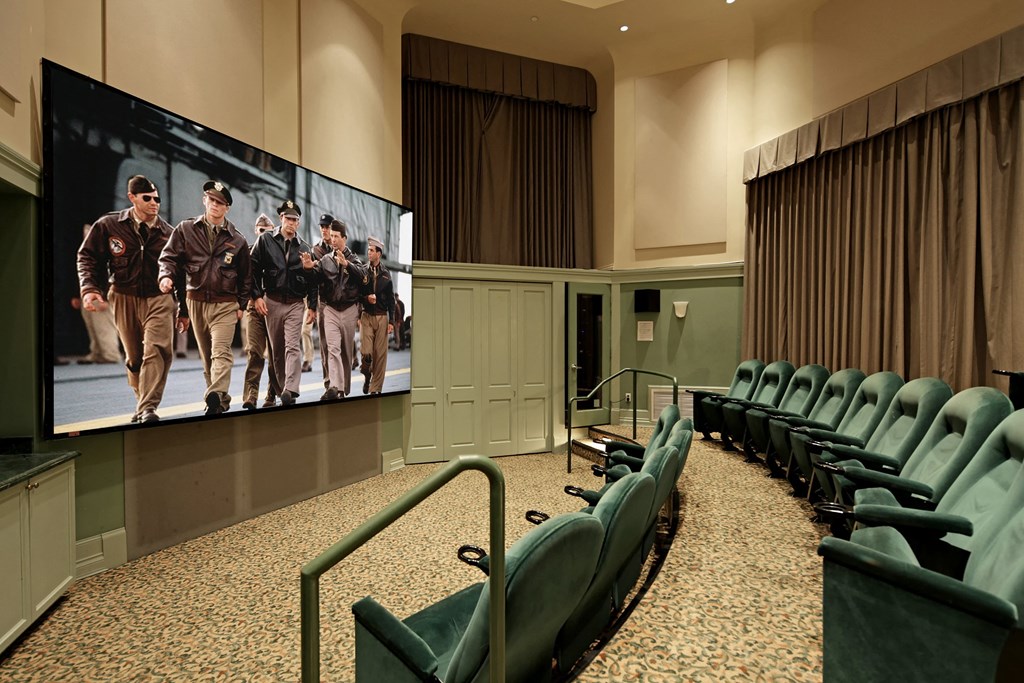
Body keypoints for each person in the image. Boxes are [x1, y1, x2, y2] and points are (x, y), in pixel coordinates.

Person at [77, 175, 176, 423]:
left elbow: (182, 271)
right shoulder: (109, 225)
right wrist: (90, 288)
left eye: (157, 199)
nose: (155, 203)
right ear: (132, 198)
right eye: (148, 198)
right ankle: (142, 403)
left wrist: (183, 309)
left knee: (157, 349)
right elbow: (87, 257)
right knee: (135, 359)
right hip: (123, 295)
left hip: (159, 298)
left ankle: (148, 408)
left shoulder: (169, 234)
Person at [158, 180, 252, 416]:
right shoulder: (185, 230)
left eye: (220, 203)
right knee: (207, 356)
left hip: (225, 304)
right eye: (211, 200)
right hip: (195, 300)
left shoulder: (237, 241)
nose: (215, 206)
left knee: (221, 352)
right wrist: (166, 277)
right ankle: (219, 400)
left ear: (227, 208)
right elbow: (169, 258)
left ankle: (216, 393)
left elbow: (246, 277)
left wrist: (240, 305)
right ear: (204, 201)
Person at [249, 199, 317, 405]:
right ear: (281, 219)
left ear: (298, 223)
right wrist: (257, 296)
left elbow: (313, 280)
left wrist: (312, 306)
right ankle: (281, 391)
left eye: (295, 219)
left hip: (295, 303)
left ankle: (291, 389)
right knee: (276, 350)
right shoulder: (266, 240)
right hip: (272, 301)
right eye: (288, 218)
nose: (291, 222)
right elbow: (252, 269)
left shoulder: (305, 248)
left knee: (292, 347)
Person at [300, 219, 365, 399]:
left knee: (345, 351)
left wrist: (347, 265)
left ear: (345, 238)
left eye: (337, 236)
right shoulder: (325, 260)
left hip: (349, 309)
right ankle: (334, 386)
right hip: (330, 309)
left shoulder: (354, 259)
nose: (333, 239)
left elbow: (363, 277)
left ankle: (342, 390)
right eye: (332, 236)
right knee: (332, 348)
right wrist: (307, 269)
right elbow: (314, 278)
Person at [241, 214, 282, 409]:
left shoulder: (278, 255)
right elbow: (242, 280)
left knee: (274, 354)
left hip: (273, 308)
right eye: (260, 230)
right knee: (255, 352)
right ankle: (251, 396)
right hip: (253, 308)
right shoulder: (248, 253)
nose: (264, 233)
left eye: (268, 230)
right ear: (255, 231)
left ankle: (271, 395)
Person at [359, 236, 395, 394]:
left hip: (382, 317)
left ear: (379, 254)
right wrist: (366, 298)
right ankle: (367, 376)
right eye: (368, 250)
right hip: (366, 316)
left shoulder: (387, 275)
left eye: (372, 251)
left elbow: (392, 301)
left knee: (380, 356)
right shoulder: (362, 271)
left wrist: (391, 321)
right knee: (366, 355)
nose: (369, 253)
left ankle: (375, 389)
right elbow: (356, 294)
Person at [311, 213, 334, 388]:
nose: (325, 230)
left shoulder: (341, 249)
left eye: (327, 226)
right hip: (324, 302)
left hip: (342, 304)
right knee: (325, 346)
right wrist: (312, 306)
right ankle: (329, 383)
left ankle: (339, 382)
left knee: (339, 346)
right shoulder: (315, 250)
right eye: (322, 227)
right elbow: (312, 280)